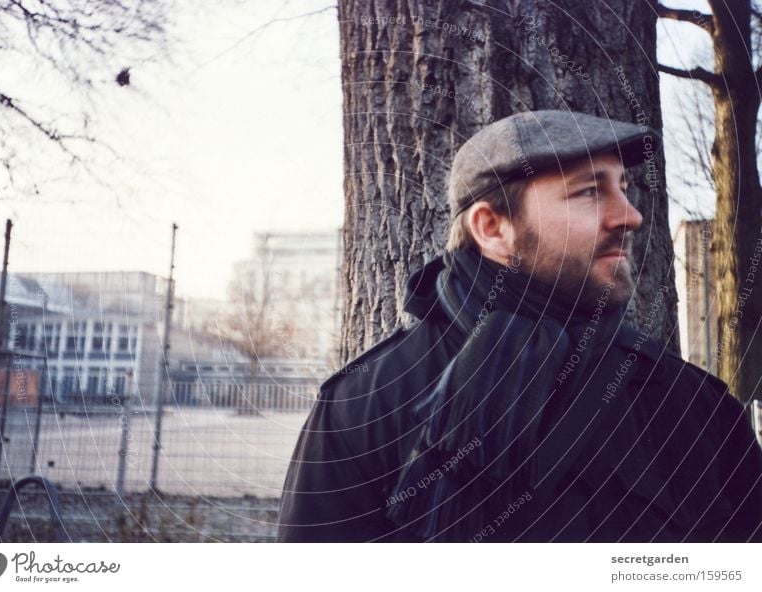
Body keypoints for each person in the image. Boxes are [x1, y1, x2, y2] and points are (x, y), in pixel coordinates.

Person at [277, 110, 762, 542]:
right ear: (492, 228)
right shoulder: (367, 405)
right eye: (590, 192)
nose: (630, 216)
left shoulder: (691, 403)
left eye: (624, 189)